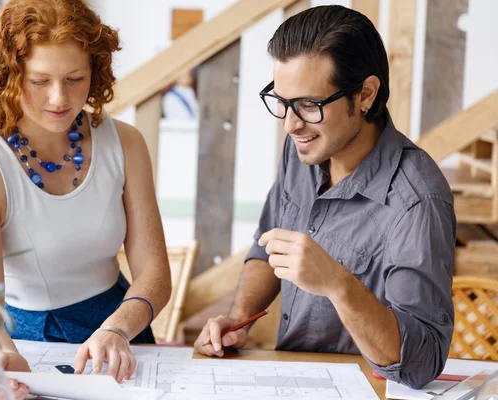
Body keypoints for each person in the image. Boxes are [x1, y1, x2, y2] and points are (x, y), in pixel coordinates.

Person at [194, 5, 455, 390]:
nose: (290, 123)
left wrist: (335, 282)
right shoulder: (303, 148)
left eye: (308, 105)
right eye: (281, 101)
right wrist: (239, 319)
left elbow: (422, 361)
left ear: (365, 94)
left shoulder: (418, 198)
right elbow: (268, 246)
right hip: (289, 381)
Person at [0, 0, 171, 396]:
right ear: (8, 76)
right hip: (23, 338)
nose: (59, 99)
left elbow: (155, 274)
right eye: (39, 81)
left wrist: (117, 328)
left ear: (95, 72)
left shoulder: (126, 142)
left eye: (75, 78)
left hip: (120, 324)